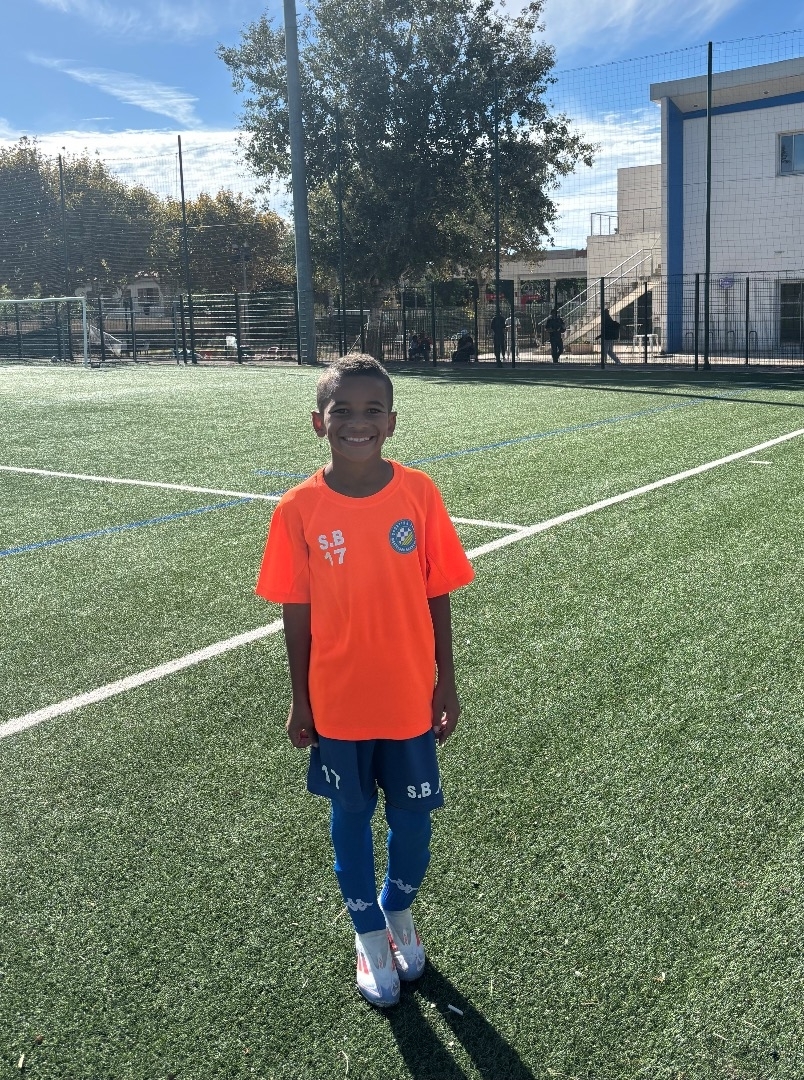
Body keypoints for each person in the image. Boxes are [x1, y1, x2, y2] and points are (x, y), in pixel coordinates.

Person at [255, 355, 474, 1008]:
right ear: (318, 422)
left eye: (372, 410)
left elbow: (437, 591)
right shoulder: (298, 508)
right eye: (342, 411)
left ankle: (396, 910)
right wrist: (299, 698)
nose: (358, 422)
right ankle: (369, 935)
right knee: (350, 817)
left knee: (414, 822)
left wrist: (446, 680)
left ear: (392, 422)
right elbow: (296, 612)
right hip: (338, 701)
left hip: (407, 694)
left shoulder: (419, 493)